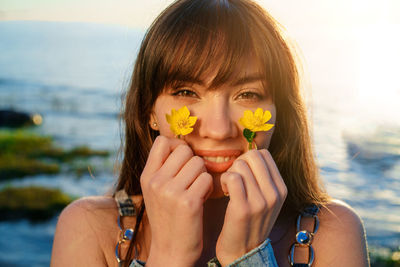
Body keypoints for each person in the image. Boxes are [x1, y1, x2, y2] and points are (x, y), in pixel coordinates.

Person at [51, 0, 370, 266]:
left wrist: (246, 256)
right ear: (150, 110)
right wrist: (170, 256)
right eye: (187, 91)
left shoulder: (329, 234)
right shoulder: (89, 228)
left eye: (248, 94)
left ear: (278, 113)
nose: (218, 130)